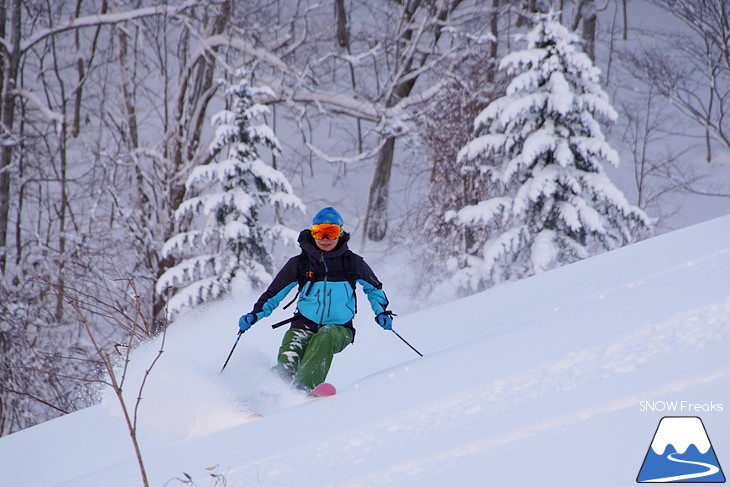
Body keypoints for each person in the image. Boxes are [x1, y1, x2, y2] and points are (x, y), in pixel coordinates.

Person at [237, 207, 394, 391]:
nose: (325, 239)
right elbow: (274, 294)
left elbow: (374, 288)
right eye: (319, 233)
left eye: (331, 232)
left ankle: (303, 390)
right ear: (313, 234)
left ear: (341, 234)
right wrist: (255, 315)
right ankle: (269, 395)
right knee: (289, 356)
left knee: (324, 337)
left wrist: (381, 312)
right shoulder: (300, 264)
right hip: (304, 323)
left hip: (340, 328)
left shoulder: (352, 263)